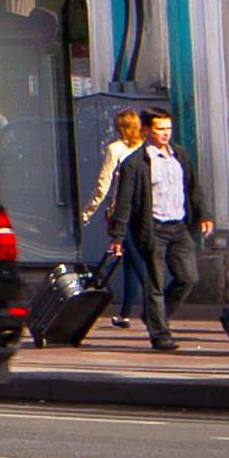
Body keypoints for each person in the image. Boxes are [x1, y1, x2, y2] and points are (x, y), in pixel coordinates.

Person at [86, 107, 184, 353]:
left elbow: (105, 183)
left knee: (143, 269)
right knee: (137, 266)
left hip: (134, 217)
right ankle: (132, 313)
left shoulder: (118, 150)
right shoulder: (141, 151)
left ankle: (147, 313)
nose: (165, 133)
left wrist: (90, 210)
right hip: (142, 218)